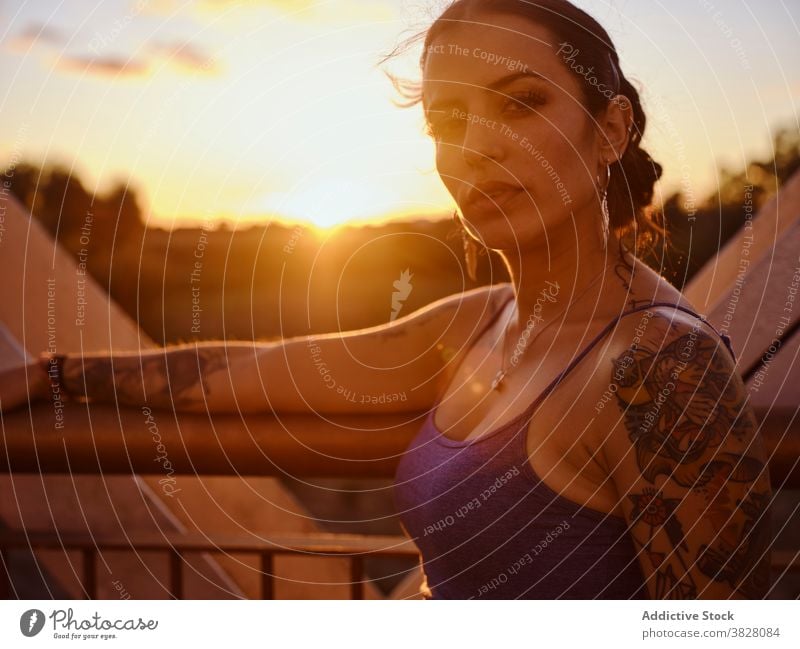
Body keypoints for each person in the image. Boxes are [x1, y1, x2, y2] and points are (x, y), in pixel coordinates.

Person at [1, 0, 772, 600]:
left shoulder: (661, 363)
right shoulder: (484, 320)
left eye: (522, 103)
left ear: (611, 128)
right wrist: (58, 373)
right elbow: (260, 368)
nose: (477, 145)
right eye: (448, 119)